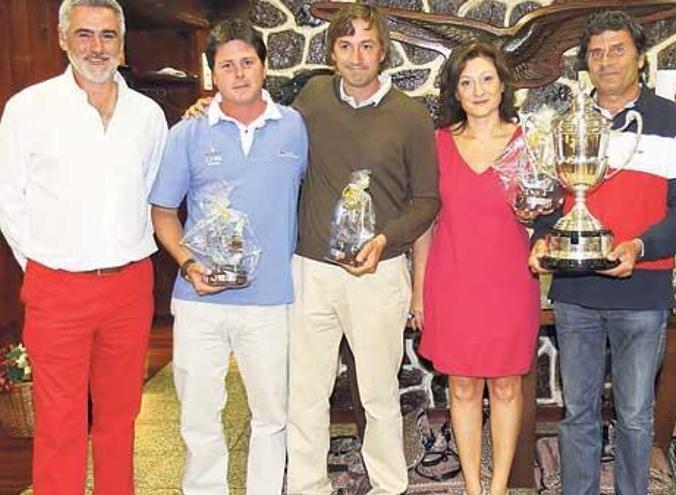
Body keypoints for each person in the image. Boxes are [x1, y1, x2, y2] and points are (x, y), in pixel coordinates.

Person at [0, 0, 167, 493]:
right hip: (56, 287)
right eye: (85, 34)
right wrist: (47, 265)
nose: (97, 47)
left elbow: (155, 194)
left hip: (130, 286)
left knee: (120, 418)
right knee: (59, 424)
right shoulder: (28, 109)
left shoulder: (148, 116)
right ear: (62, 39)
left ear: (123, 41)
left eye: (108, 35)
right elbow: (10, 202)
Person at [528, 10, 676, 495]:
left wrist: (641, 247)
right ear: (585, 65)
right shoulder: (567, 125)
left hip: (642, 293)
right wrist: (541, 236)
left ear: (640, 58)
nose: (606, 61)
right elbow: (551, 198)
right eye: (595, 53)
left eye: (617, 49)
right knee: (576, 411)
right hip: (575, 292)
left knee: (636, 416)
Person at [149, 19, 307, 495]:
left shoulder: (294, 127)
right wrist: (189, 264)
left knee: (271, 416)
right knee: (199, 414)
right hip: (200, 300)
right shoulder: (188, 134)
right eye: (227, 65)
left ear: (265, 66)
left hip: (270, 301)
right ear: (212, 73)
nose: (239, 74)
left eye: (247, 62)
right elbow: (162, 214)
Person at [286, 4, 439, 494]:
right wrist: (212, 109)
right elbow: (266, 135)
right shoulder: (309, 99)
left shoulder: (411, 116)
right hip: (310, 270)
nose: (356, 56)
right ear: (332, 51)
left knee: (377, 393)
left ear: (383, 52)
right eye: (346, 45)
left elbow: (426, 201)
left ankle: (389, 485)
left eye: (367, 45)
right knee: (305, 392)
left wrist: (385, 240)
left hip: (380, 272)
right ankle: (308, 484)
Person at [410, 41, 540, 495]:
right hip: (453, 282)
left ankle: (499, 486)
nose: (478, 90)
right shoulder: (438, 144)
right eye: (466, 82)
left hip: (509, 284)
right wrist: (417, 292)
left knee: (506, 388)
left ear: (503, 84)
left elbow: (546, 216)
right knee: (462, 388)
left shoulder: (531, 144)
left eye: (486, 78)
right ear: (455, 92)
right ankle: (471, 484)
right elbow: (424, 223)